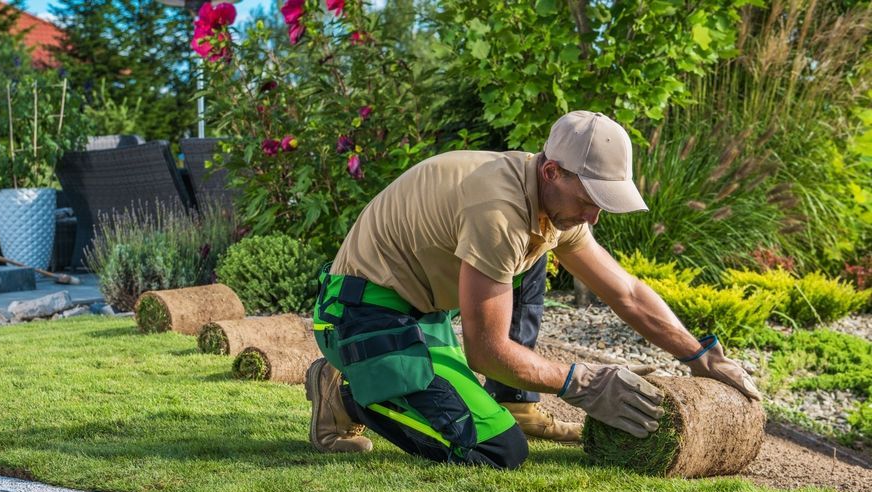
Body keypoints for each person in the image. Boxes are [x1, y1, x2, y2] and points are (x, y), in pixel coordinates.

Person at [305, 110, 760, 469]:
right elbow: (485, 351)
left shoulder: (550, 206)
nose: (594, 217)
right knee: (499, 453)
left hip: (421, 317)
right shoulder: (498, 211)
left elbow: (627, 293)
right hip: (361, 316)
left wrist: (699, 355)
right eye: (588, 200)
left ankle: (512, 400)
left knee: (536, 253)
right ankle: (345, 391)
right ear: (552, 171)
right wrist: (579, 381)